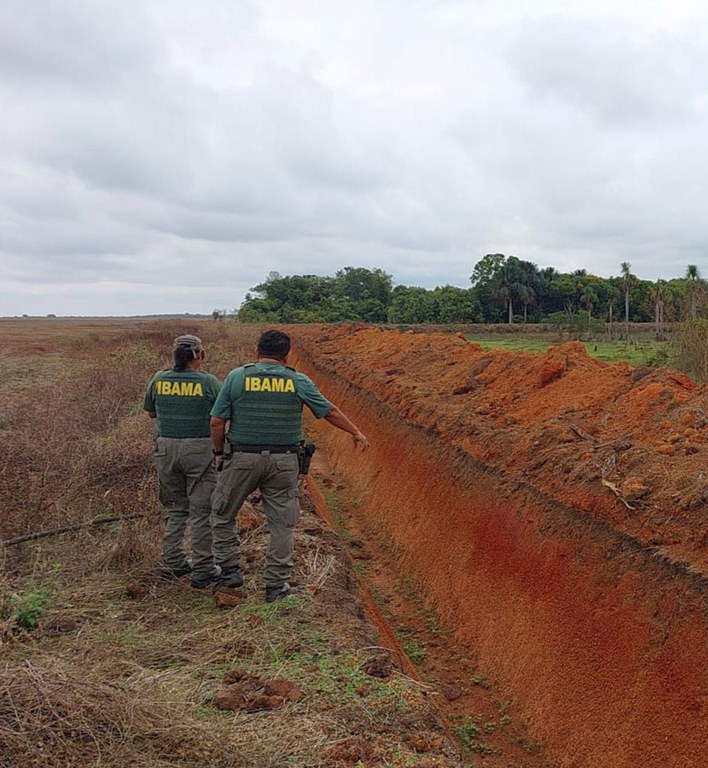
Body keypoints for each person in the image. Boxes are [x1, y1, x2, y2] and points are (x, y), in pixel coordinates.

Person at [210, 329, 370, 602]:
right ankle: (276, 585)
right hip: (284, 462)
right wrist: (356, 432)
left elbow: (217, 421)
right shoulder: (298, 380)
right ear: (286, 356)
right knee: (282, 525)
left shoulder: (237, 377)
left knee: (222, 514)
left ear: (257, 352)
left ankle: (229, 573)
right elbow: (329, 411)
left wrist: (218, 453)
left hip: (242, 459)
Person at [144, 334, 222, 589]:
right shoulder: (208, 382)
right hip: (199, 450)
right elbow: (221, 416)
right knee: (202, 511)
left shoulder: (159, 378)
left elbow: (151, 412)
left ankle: (173, 562)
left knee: (176, 508)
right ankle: (203, 569)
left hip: (165, 449)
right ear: (199, 354)